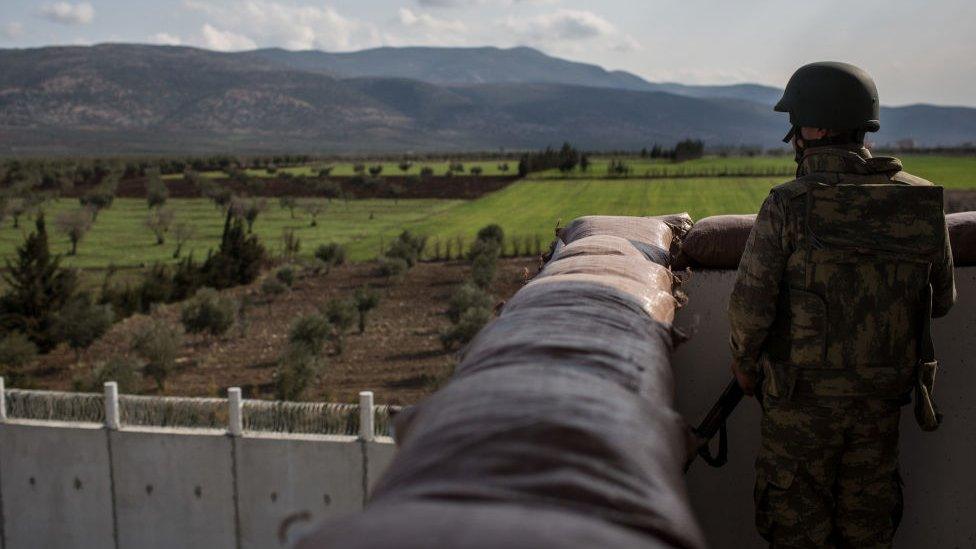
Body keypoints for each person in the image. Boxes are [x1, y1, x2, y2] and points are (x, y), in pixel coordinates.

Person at [728, 61, 956, 548]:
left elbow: (750, 309)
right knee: (868, 529)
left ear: (815, 128)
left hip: (799, 407)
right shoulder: (920, 202)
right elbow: (942, 301)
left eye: (796, 126)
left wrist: (745, 363)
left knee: (794, 529)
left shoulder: (787, 205)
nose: (793, 140)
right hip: (881, 403)